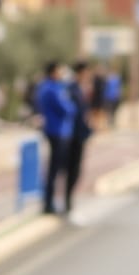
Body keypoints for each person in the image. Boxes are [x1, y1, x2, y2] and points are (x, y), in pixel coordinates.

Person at [34, 61, 76, 216]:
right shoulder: (53, 89)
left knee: (54, 168)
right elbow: (67, 108)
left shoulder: (44, 87)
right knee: (55, 168)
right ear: (53, 72)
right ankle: (49, 203)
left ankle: (50, 201)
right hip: (57, 131)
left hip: (53, 130)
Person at [63, 61, 95, 218]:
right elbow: (72, 112)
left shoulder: (81, 88)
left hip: (80, 134)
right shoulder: (71, 89)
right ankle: (66, 201)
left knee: (76, 169)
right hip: (72, 135)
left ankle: (69, 200)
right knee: (71, 169)